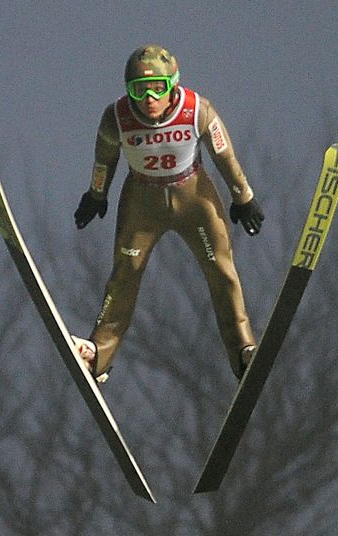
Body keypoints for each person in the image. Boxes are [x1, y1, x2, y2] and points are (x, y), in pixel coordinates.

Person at [72, 44, 265, 382]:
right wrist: (96, 194)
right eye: (139, 89)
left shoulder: (197, 110)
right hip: (142, 200)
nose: (149, 98)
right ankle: (98, 355)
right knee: (125, 272)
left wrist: (243, 196)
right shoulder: (116, 117)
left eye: (158, 87)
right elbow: (104, 159)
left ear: (173, 84)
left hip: (193, 196)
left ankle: (244, 350)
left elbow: (224, 156)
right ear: (128, 90)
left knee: (221, 269)